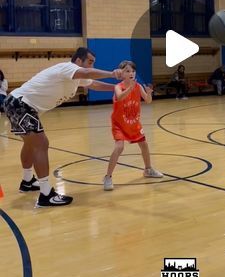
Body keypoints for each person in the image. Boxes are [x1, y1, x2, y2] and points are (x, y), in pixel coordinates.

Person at [3, 47, 122, 208]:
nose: (91, 65)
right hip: (21, 104)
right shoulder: (68, 67)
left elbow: (93, 83)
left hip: (17, 103)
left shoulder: (76, 76)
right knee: (41, 144)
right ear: (78, 61)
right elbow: (88, 74)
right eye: (90, 62)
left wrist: (116, 88)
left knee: (31, 143)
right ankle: (46, 195)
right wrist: (112, 74)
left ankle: (28, 181)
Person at [103, 60, 163, 190]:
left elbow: (148, 101)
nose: (131, 73)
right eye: (127, 71)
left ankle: (148, 169)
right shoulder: (118, 87)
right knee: (119, 148)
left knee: (144, 145)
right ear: (121, 74)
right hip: (119, 123)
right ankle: (108, 177)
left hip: (134, 123)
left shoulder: (138, 86)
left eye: (133, 71)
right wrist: (129, 88)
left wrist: (148, 93)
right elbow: (119, 97)